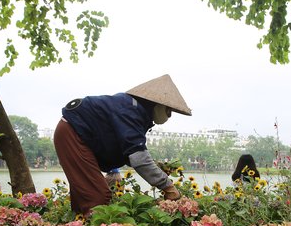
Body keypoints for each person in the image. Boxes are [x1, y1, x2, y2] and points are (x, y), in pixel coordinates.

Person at [54, 74, 192, 215]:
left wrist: (155, 167)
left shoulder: (135, 110)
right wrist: (168, 186)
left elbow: (130, 151)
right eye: (169, 111)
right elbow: (139, 158)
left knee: (85, 196)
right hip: (73, 133)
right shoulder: (130, 111)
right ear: (157, 104)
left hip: (76, 133)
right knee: (97, 198)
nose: (169, 116)